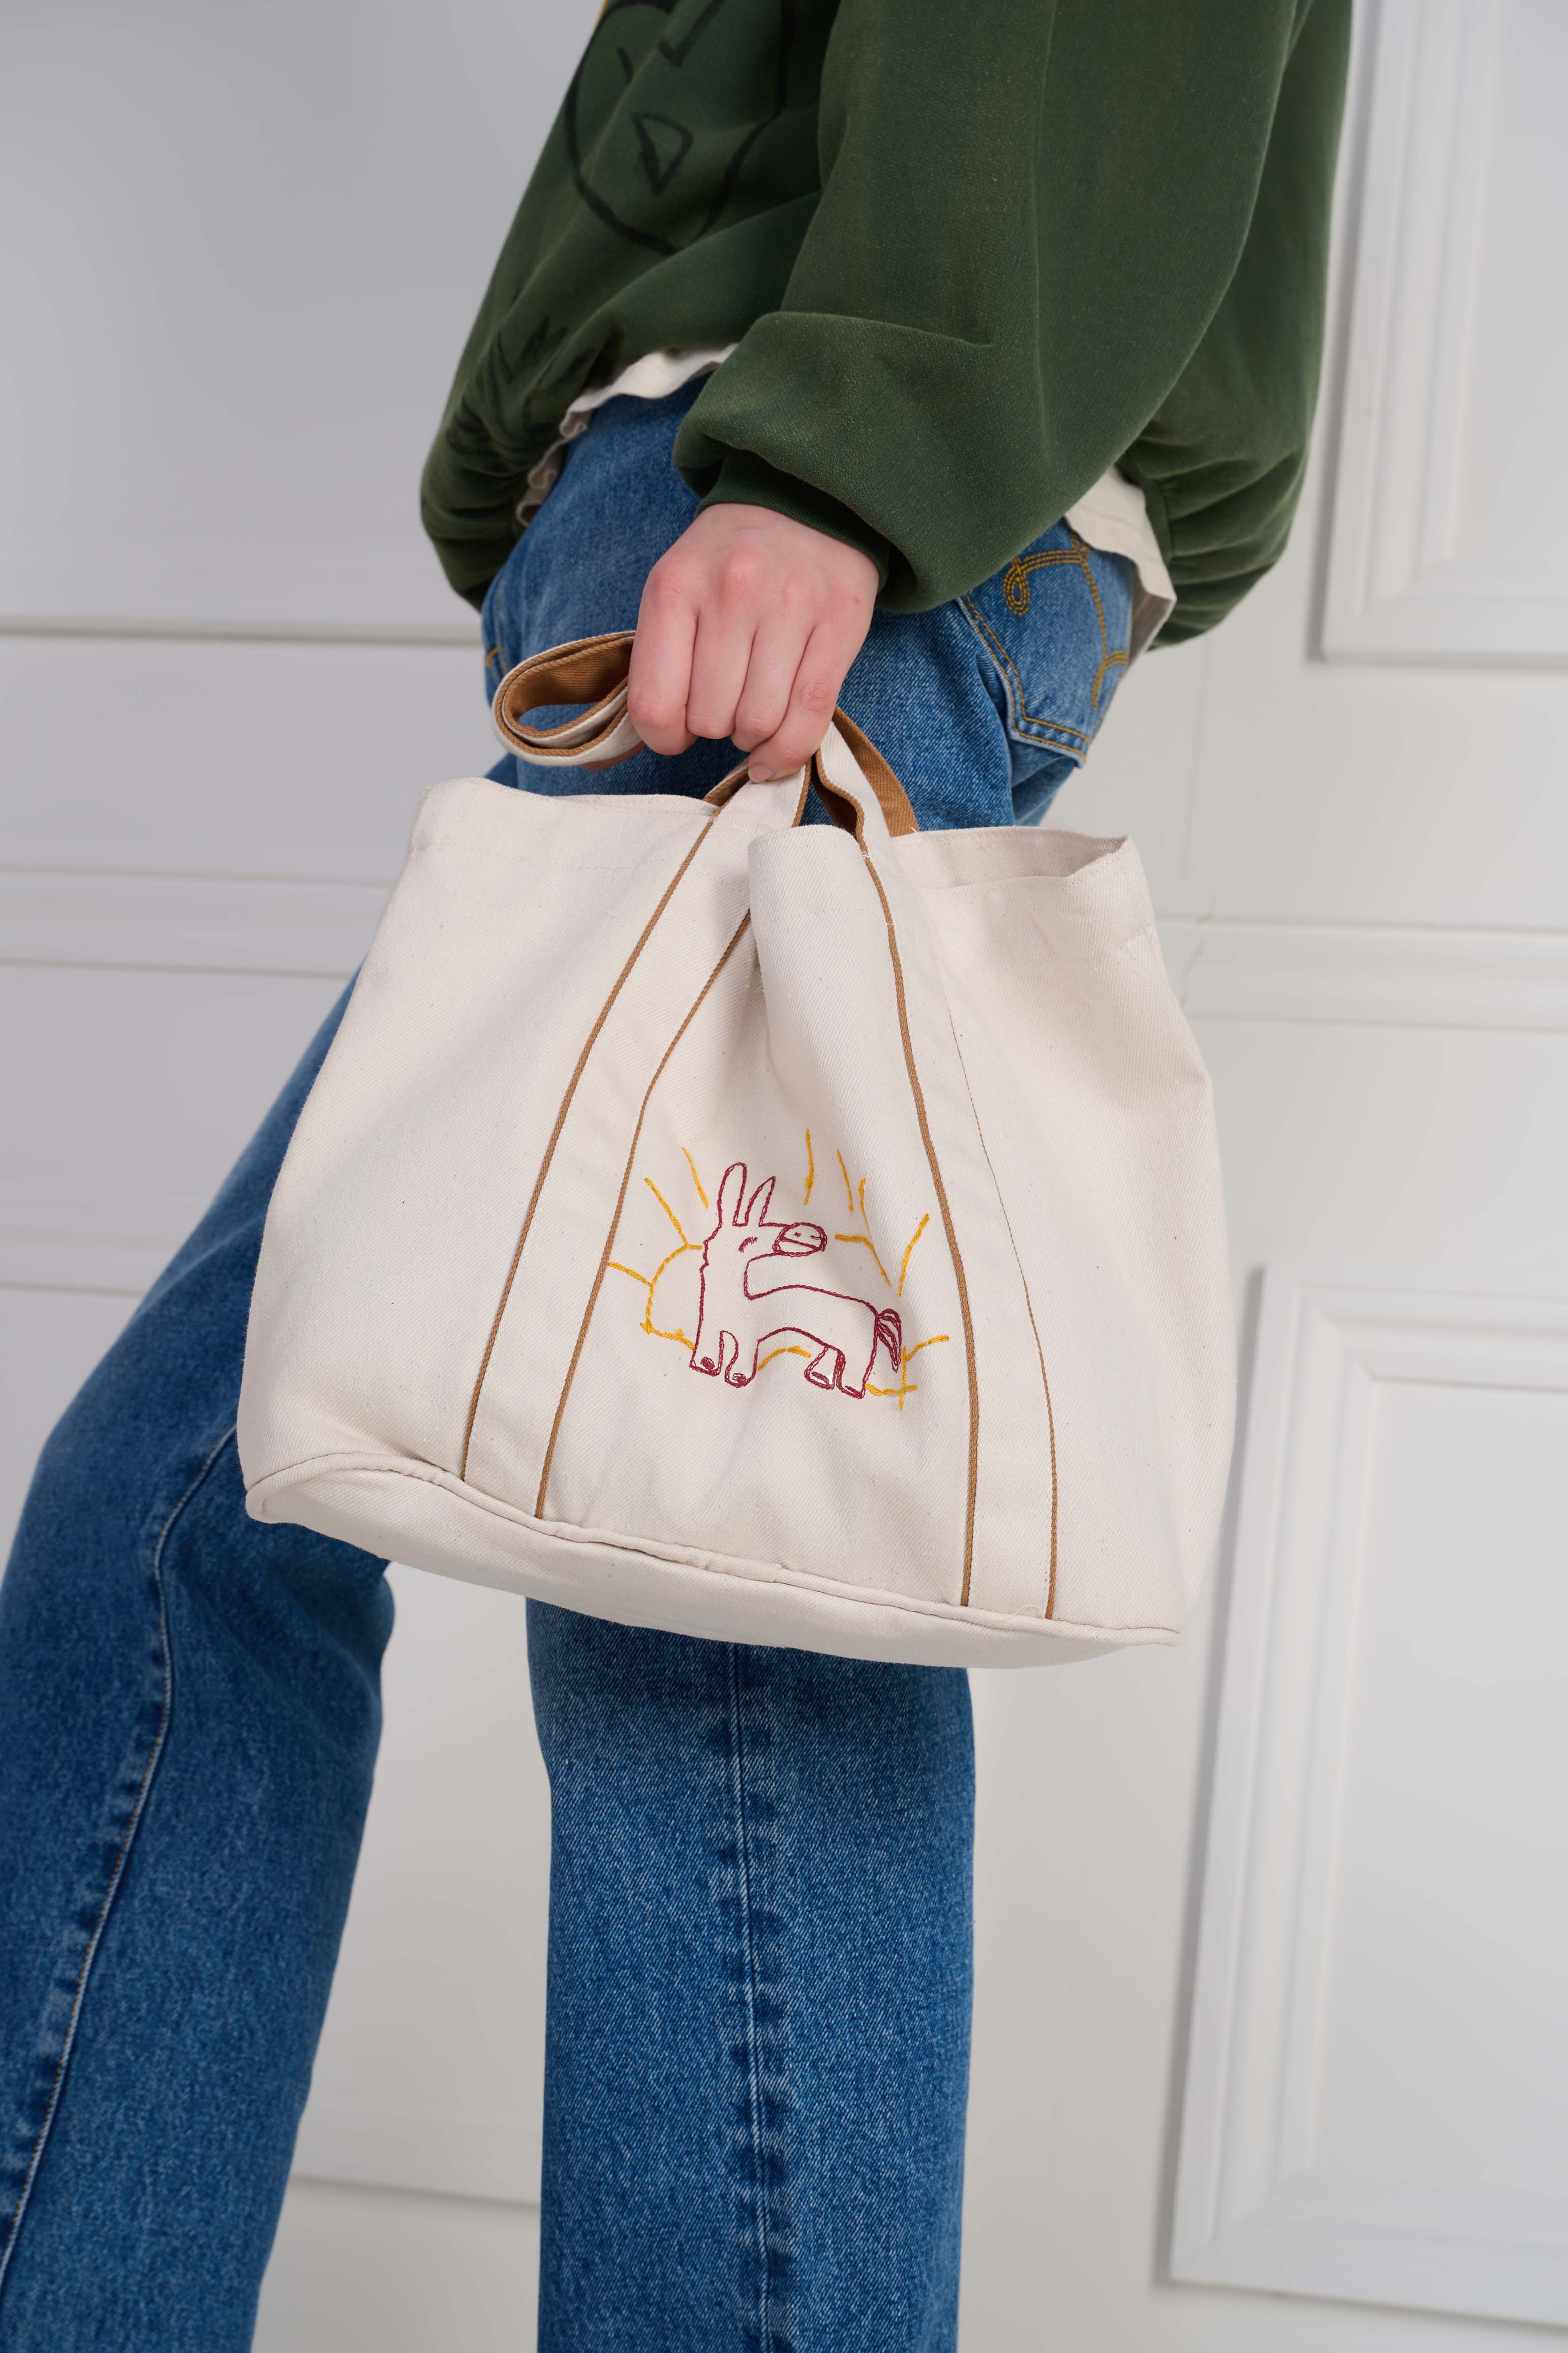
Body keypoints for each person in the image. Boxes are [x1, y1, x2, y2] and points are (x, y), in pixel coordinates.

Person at [0, 2, 1349, 2345]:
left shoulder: (852, 445)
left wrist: (859, 441)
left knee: (651, 1587)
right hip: (781, 501)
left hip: (827, 501)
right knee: (455, 1538)